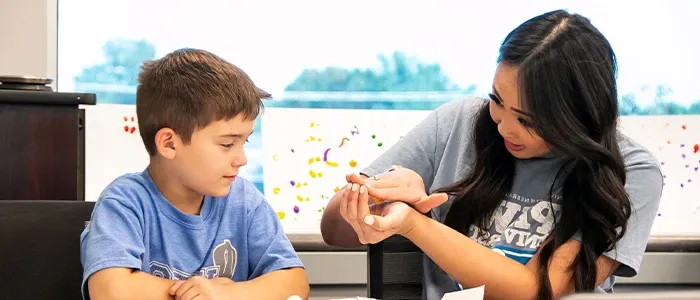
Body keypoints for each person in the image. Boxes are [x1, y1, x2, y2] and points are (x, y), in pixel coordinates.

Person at [320, 9, 662, 300]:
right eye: (498, 101)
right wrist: (379, 197)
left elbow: (536, 290)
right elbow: (333, 228)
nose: (504, 128)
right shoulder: (459, 122)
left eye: (527, 120)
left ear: (577, 116)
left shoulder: (631, 171)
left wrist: (414, 223)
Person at [80, 48, 309, 300]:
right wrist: (201, 294)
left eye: (245, 142)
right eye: (227, 144)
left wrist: (226, 295)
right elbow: (109, 290)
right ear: (169, 143)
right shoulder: (124, 202)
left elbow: (295, 282)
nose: (241, 159)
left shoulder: (244, 201)